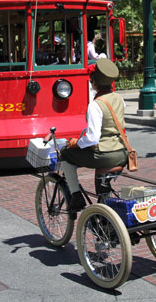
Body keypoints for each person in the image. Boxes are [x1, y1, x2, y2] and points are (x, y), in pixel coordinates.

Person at [59, 58, 128, 212]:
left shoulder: (95, 105)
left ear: (94, 82)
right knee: (102, 187)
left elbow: (93, 138)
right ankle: (106, 212)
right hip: (123, 153)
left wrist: (76, 143)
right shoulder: (119, 98)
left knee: (65, 154)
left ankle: (76, 197)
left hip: (106, 155)